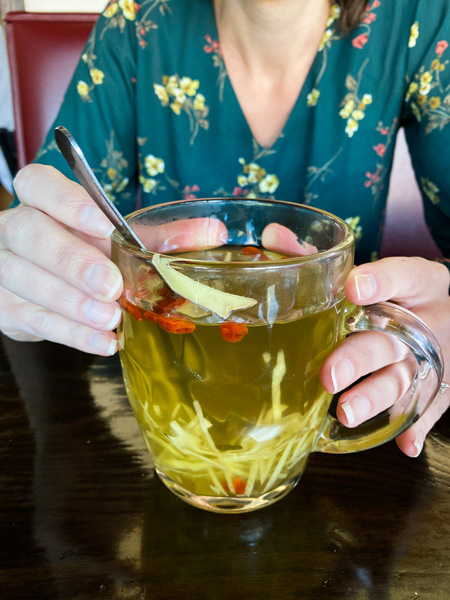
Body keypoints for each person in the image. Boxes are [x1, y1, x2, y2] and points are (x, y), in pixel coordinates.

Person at [1, 0, 450, 458]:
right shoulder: (138, 22)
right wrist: (38, 272)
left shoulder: (418, 16)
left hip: (334, 408)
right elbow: (40, 229)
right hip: (172, 421)